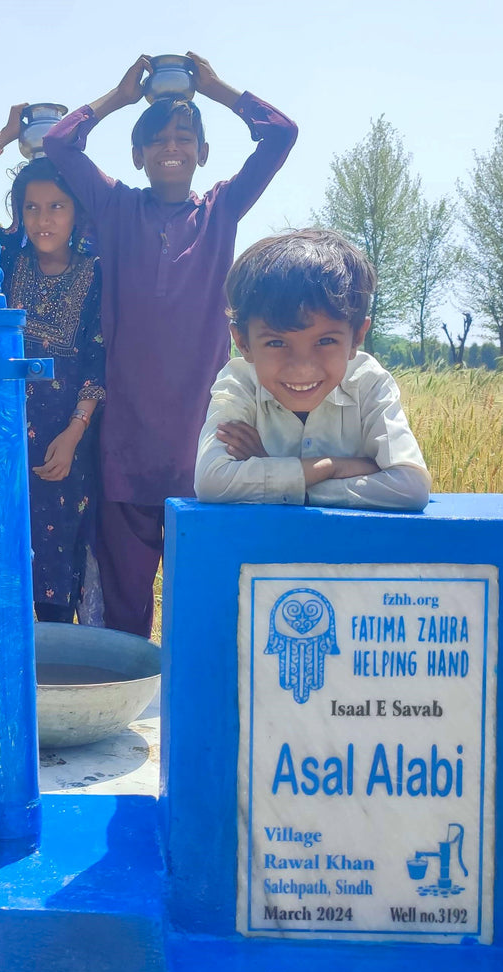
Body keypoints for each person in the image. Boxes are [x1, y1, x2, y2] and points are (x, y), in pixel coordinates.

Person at [43, 53, 298, 637]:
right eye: (157, 140)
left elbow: (281, 134)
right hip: (125, 447)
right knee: (126, 611)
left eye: (184, 137)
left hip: (202, 448)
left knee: (200, 606)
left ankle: (187, 720)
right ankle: (128, 722)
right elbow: (59, 146)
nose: (171, 148)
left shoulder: (222, 210)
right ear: (138, 155)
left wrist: (220, 90)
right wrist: (116, 99)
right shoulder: (115, 207)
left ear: (203, 154)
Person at [0, 104, 105, 624]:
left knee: (57, 578)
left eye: (57, 206)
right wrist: (5, 135)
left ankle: (55, 691)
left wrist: (75, 431)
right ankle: (3, 682)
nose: (44, 219)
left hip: (65, 437)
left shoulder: (96, 272)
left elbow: (96, 358)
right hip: (3, 427)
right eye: (32, 207)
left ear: (77, 212)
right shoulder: (8, 255)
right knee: (1, 561)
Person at [194, 229, 431, 510]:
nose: (303, 367)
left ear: (357, 337)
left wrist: (285, 479)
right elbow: (211, 481)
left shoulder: (368, 382)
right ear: (242, 342)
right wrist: (331, 467)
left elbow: (410, 487)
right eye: (276, 342)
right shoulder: (239, 383)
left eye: (326, 341)